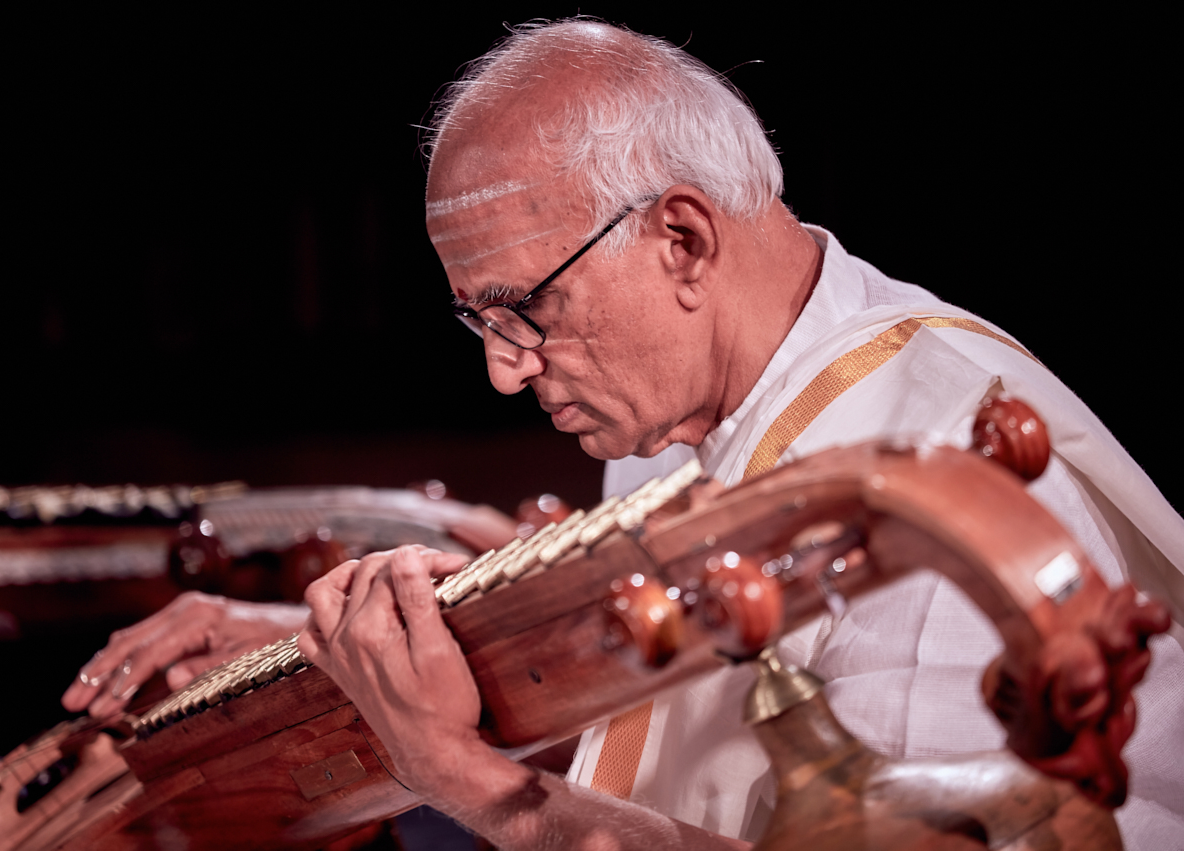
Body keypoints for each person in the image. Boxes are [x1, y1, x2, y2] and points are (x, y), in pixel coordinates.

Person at [64, 19, 1184, 850]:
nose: (504, 369)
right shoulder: (698, 392)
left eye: (524, 312)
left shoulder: (923, 485)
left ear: (682, 240)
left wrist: (464, 778)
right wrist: (317, 657)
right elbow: (672, 715)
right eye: (477, 321)